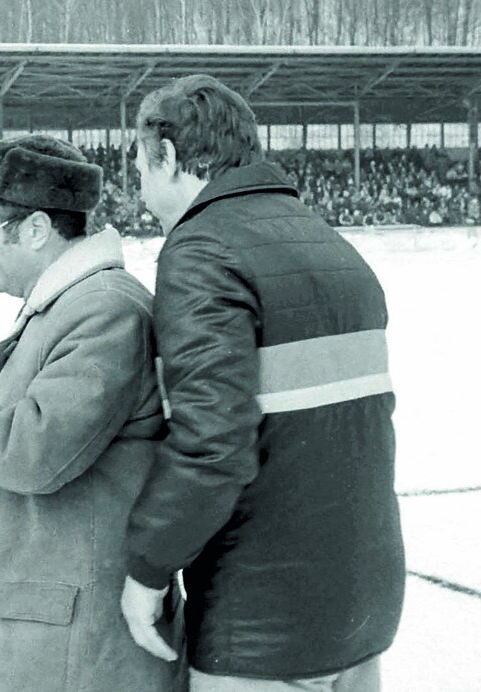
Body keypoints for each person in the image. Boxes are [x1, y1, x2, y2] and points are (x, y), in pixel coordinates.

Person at [120, 74, 404, 691]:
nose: (141, 194)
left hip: (264, 624)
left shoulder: (201, 250)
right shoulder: (332, 245)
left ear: (167, 156)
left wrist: (147, 569)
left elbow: (212, 444)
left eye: (140, 167)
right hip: (360, 607)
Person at [0, 134, 180, 691]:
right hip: (58, 632)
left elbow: (35, 451)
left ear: (36, 229)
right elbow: (78, 468)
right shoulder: (69, 306)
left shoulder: (105, 311)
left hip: (81, 647)